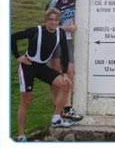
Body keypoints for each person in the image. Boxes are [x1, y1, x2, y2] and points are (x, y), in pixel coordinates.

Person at [12, 8, 75, 142]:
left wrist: (64, 73)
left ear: (59, 21)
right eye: (50, 20)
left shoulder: (60, 33)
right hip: (27, 66)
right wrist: (18, 57)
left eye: (56, 20)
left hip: (41, 67)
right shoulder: (35, 31)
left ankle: (57, 118)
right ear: (46, 20)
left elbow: (65, 53)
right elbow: (13, 37)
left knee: (66, 84)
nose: (53, 22)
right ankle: (21, 135)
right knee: (26, 100)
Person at [45, 0, 82, 121]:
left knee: (70, 72)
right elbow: (49, 25)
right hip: (54, 40)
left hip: (67, 40)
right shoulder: (54, 2)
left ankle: (67, 108)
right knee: (55, 74)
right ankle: (58, 108)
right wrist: (67, 28)